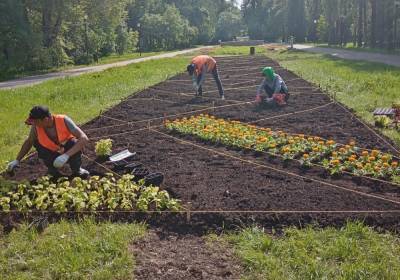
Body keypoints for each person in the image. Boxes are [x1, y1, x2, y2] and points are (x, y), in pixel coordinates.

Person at [6, 106, 89, 178]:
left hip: (67, 148)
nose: (34, 124)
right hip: (50, 151)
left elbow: (84, 138)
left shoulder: (63, 120)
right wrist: (17, 160)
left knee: (74, 143)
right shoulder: (36, 127)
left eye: (36, 122)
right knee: (37, 143)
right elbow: (29, 141)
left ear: (45, 119)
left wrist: (66, 156)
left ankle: (77, 170)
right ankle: (53, 172)